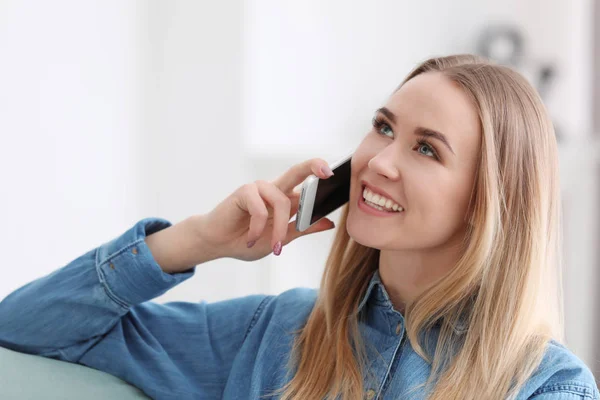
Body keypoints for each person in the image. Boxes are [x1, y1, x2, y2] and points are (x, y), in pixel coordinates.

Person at [0, 54, 598, 400]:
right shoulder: (275, 332)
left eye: (426, 150)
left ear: (485, 202)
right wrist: (198, 239)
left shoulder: (548, 385)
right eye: (384, 128)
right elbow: (26, 329)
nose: (378, 162)